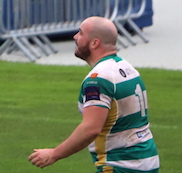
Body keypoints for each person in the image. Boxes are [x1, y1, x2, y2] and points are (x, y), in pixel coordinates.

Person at [28, 16, 159, 172]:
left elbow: (91, 128)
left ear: (94, 43)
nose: (75, 37)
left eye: (81, 33)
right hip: (145, 161)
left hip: (121, 165)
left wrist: (54, 154)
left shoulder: (98, 80)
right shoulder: (127, 68)